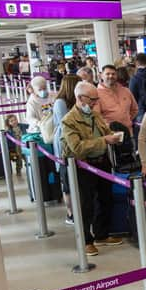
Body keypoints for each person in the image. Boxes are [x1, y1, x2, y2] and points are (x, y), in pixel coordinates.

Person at [60, 81, 124, 256]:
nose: (96, 103)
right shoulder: (68, 121)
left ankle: (101, 235)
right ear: (80, 98)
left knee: (105, 199)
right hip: (82, 166)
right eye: (93, 99)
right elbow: (77, 147)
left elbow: (104, 132)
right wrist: (104, 141)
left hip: (102, 162)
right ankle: (86, 240)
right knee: (85, 205)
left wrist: (113, 136)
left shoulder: (95, 115)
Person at [52, 74, 80, 224]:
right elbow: (65, 125)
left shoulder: (74, 101)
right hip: (64, 144)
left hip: (75, 141)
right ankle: (71, 213)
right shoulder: (60, 103)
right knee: (67, 181)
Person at [96, 65, 139, 134]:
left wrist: (127, 120)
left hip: (128, 132)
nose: (111, 76)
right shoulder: (96, 94)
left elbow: (135, 109)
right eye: (108, 74)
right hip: (109, 135)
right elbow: (97, 117)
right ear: (101, 76)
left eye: (113, 74)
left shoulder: (126, 91)